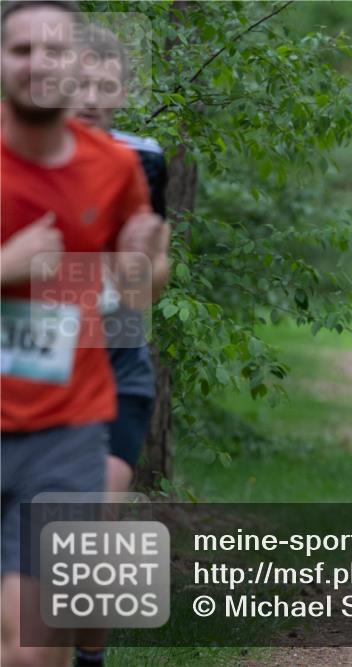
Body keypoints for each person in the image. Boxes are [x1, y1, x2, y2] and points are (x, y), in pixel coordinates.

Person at [1, 2, 159, 664]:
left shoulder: (119, 168)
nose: (40, 64)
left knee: (32, 642)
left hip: (67, 419)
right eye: (21, 50)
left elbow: (139, 290)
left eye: (56, 50)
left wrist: (132, 271)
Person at [70, 25, 171, 667]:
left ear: (124, 94)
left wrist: (132, 276)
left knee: (96, 520)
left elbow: (152, 277)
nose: (91, 96)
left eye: (106, 86)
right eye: (81, 82)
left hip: (115, 357)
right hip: (31, 369)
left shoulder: (144, 160)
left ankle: (90, 658)